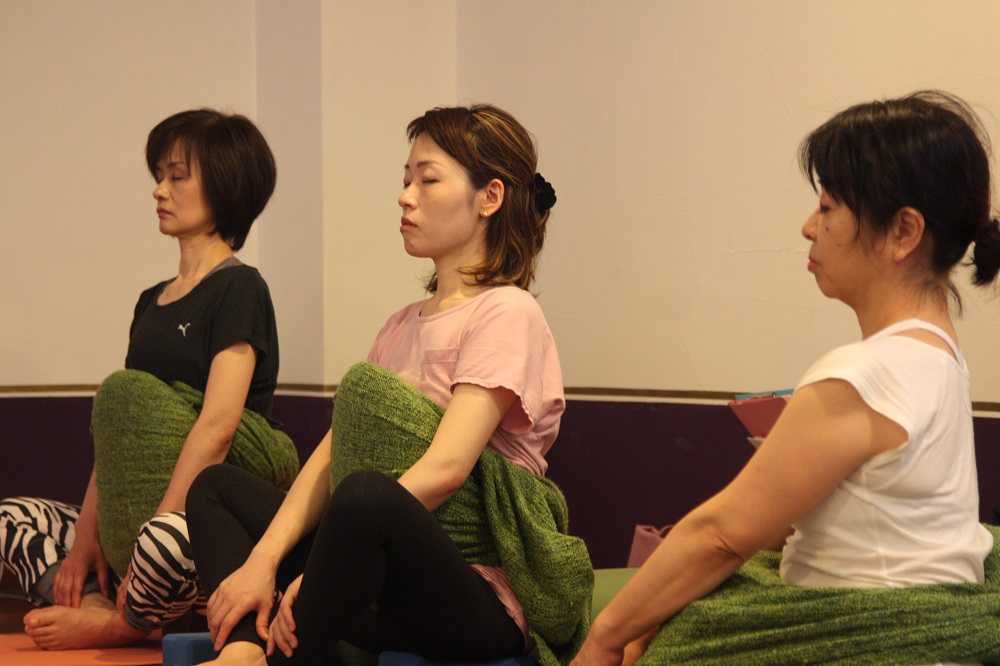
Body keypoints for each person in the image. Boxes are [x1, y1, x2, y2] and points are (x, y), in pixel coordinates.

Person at [573, 91, 1000, 666]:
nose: (808, 227)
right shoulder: (939, 358)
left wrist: (604, 638)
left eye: (828, 208)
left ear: (903, 231)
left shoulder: (868, 373)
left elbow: (722, 534)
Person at [185, 104, 590, 666]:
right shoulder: (399, 326)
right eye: (405, 180)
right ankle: (245, 651)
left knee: (367, 496)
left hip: (473, 599)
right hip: (376, 578)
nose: (405, 197)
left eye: (427, 180)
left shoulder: (507, 312)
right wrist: (264, 561)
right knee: (215, 489)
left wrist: (322, 563)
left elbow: (447, 469)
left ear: (489, 197)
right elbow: (333, 456)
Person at [0, 109, 299, 650]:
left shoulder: (240, 289)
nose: (160, 190)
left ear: (225, 185)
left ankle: (123, 625)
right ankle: (102, 604)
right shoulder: (149, 302)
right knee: (13, 518)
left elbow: (218, 427)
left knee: (161, 541)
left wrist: (152, 533)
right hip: (134, 526)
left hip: (189, 526)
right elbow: (120, 432)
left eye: (177, 176)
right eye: (159, 176)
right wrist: (88, 538)